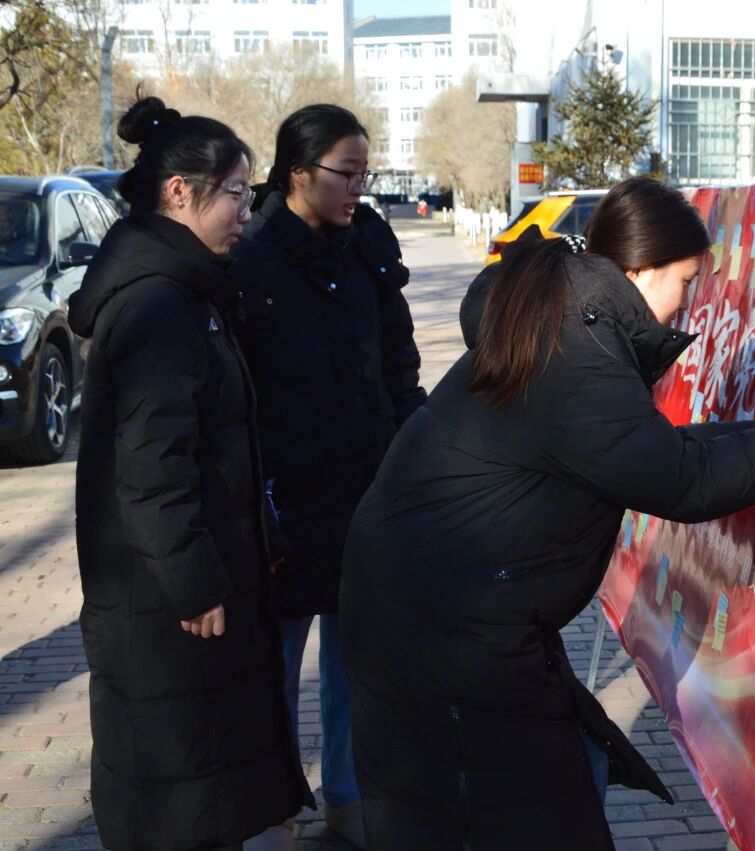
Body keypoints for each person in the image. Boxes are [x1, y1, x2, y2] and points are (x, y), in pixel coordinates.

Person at [340, 177, 755, 849]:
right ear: (641, 268)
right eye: (685, 281)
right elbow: (679, 479)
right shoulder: (578, 351)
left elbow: (654, 450)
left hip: (436, 607)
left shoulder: (568, 318)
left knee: (509, 806)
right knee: (505, 820)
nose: (688, 304)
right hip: (446, 633)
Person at [68, 95, 312, 851]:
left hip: (199, 575)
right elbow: (152, 467)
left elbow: (219, 441)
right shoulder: (159, 303)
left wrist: (261, 535)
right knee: (182, 800)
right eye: (236, 193)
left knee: (209, 791)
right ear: (179, 191)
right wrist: (195, 580)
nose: (247, 211)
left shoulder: (188, 287)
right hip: (167, 601)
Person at [231, 103, 426, 848]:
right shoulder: (250, 256)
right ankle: (273, 807)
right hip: (282, 497)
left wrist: (412, 451)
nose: (357, 189)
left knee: (358, 659)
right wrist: (251, 496)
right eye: (346, 173)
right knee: (273, 665)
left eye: (364, 174)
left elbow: (399, 361)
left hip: (365, 487)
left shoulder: (368, 241)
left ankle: (349, 794)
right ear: (296, 173)